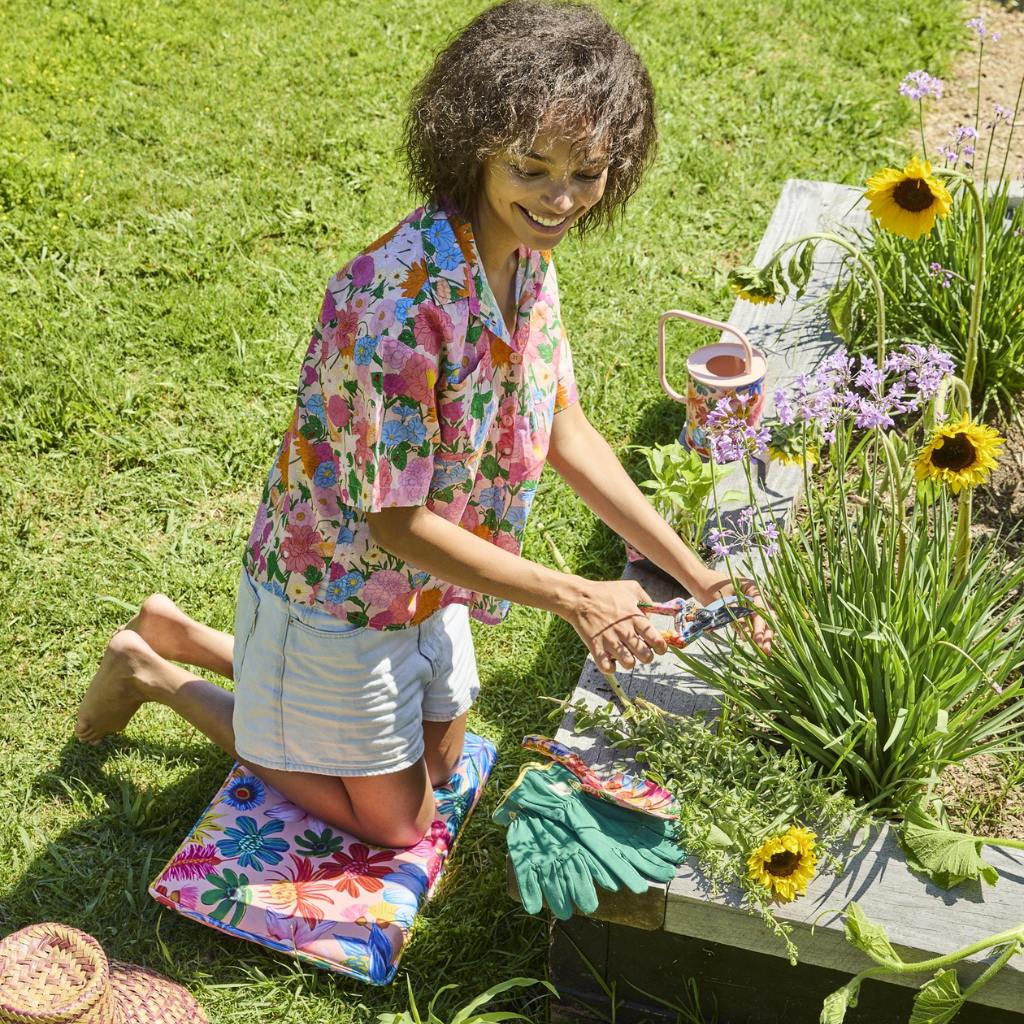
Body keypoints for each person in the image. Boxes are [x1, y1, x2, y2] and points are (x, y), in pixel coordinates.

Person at [76, 0, 772, 850]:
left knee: (444, 766)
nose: (560, 200)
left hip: (433, 583)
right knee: (404, 827)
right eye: (532, 168)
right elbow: (393, 521)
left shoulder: (525, 258)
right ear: (474, 143)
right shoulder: (394, 308)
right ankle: (153, 671)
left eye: (587, 173)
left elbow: (563, 428)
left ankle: (186, 633)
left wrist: (701, 579)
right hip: (340, 593)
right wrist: (576, 595)